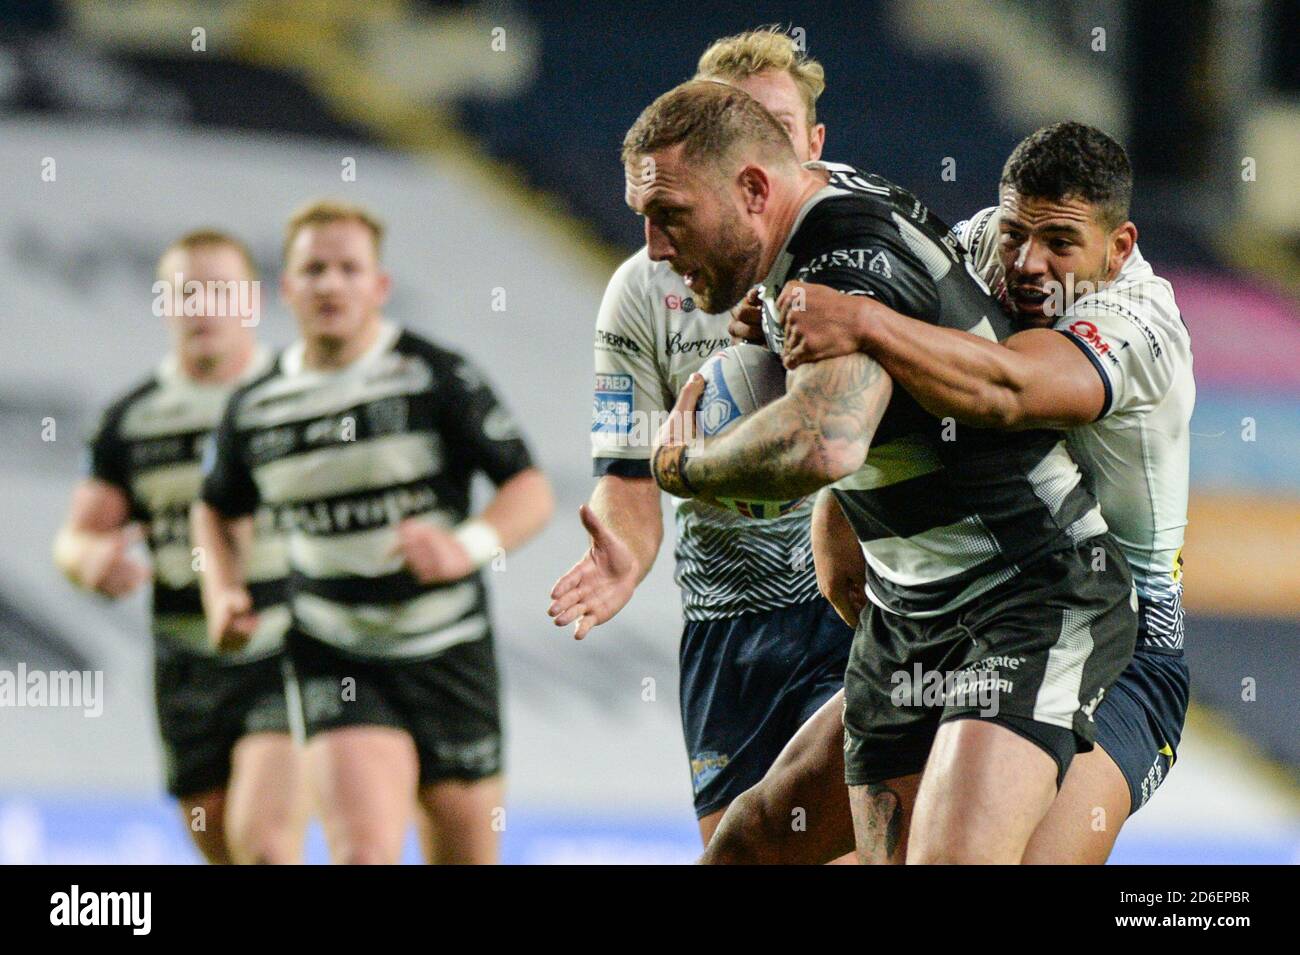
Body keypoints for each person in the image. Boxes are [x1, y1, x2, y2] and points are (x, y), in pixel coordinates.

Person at [630, 81, 1136, 863]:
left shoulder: (842, 268)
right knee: (752, 850)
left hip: (1026, 595)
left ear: (755, 189)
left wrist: (686, 466)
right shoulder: (815, 214)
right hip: (910, 615)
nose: (657, 247)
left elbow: (823, 443)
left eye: (670, 216)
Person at [547, 27, 851, 847]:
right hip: (727, 624)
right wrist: (622, 548)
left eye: (777, 126)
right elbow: (629, 468)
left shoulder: (854, 253)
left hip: (850, 604)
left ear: (812, 144)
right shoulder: (644, 290)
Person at [193, 200, 554, 864]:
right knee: (362, 852)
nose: (331, 284)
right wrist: (222, 590)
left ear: (378, 286)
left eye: (348, 269)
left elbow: (529, 487)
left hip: (448, 650)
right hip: (336, 650)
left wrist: (465, 546)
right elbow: (214, 507)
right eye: (314, 269)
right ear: (288, 288)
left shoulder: (433, 374)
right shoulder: (255, 406)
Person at [54, 230, 304, 864]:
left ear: (252, 302)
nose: (202, 307)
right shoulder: (132, 419)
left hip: (289, 649)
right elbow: (78, 534)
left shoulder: (300, 397)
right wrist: (90, 561)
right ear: (164, 305)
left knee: (268, 847)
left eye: (220, 291)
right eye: (185, 292)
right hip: (185, 662)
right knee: (222, 847)